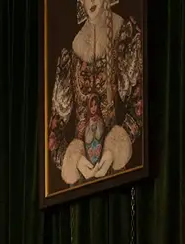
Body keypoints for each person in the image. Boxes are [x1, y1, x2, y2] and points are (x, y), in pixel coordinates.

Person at [48, 0, 144, 187]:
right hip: (82, 181)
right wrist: (75, 161)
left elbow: (140, 104)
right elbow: (54, 131)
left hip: (118, 174)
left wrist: (113, 151)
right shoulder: (73, 50)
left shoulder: (123, 34)